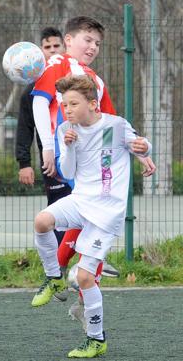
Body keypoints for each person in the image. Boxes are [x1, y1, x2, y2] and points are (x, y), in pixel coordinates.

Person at [29, 16, 156, 308]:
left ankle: (81, 276)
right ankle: (70, 274)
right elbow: (39, 102)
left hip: (94, 157)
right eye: (87, 40)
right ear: (68, 40)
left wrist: (142, 152)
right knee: (81, 213)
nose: (93, 46)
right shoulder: (59, 63)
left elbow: (114, 126)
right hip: (69, 151)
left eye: (98, 43)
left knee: (87, 213)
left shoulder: (95, 80)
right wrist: (48, 147)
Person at [34, 75, 152, 358]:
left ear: (93, 103)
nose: (68, 109)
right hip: (80, 200)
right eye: (64, 104)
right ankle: (54, 277)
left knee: (86, 278)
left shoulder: (115, 125)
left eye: (73, 103)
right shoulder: (66, 129)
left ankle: (96, 339)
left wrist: (145, 148)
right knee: (42, 221)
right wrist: (70, 145)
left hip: (106, 212)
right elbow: (70, 173)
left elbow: (142, 145)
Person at [15, 27, 68, 244]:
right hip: (52, 161)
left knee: (85, 209)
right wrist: (24, 162)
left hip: (83, 158)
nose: (53, 50)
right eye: (48, 47)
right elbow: (25, 128)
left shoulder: (77, 80)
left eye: (57, 46)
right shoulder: (32, 91)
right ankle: (58, 263)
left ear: (64, 48)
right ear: (41, 51)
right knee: (57, 208)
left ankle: (88, 260)